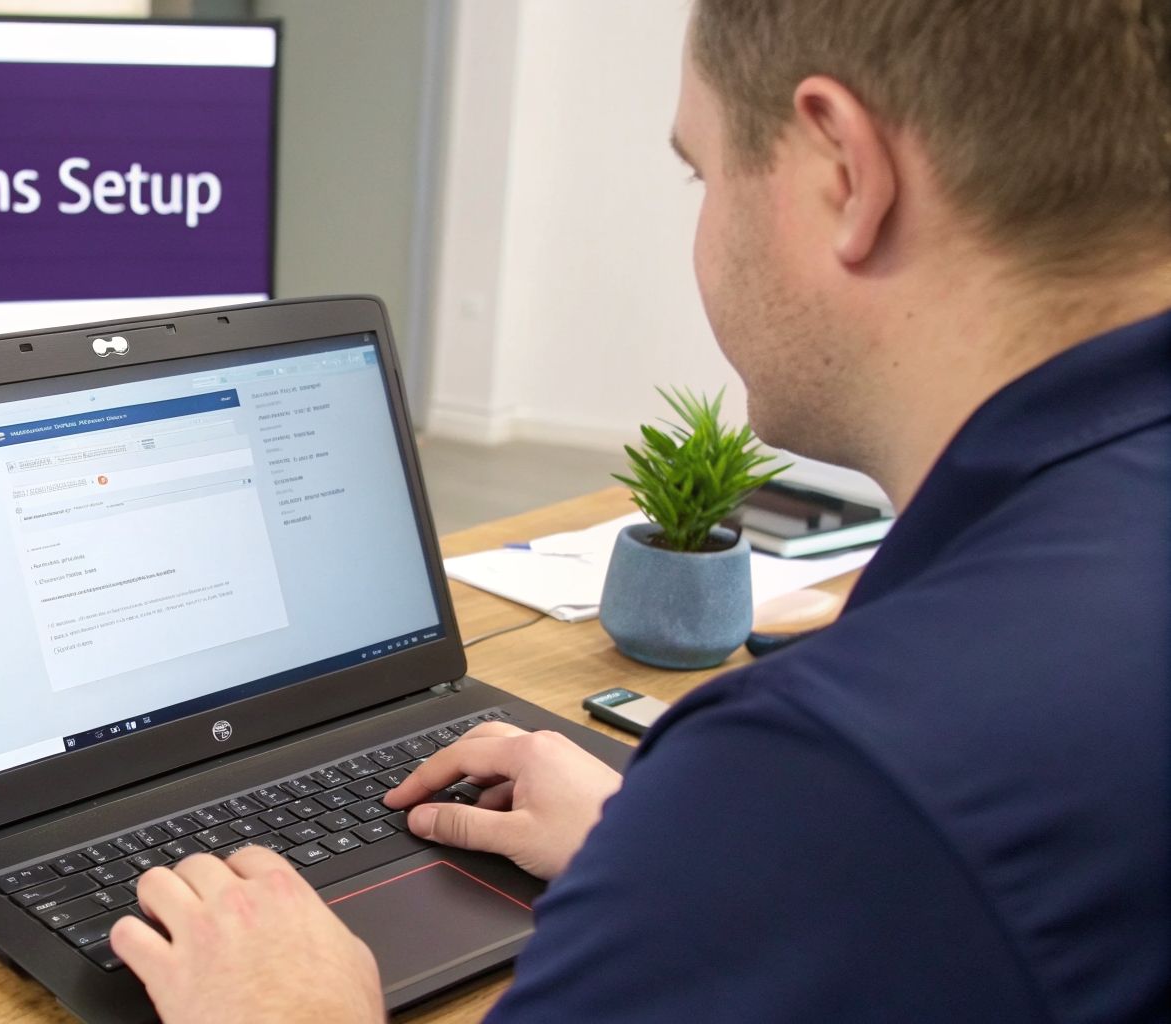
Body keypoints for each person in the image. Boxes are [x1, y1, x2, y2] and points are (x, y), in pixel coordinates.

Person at [107, 1, 1171, 1019]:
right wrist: (677, 851)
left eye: (698, 170)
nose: (700, 221)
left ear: (842, 174)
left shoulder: (837, 768)